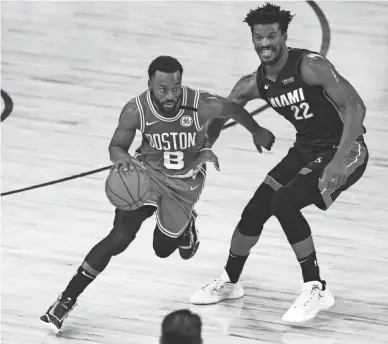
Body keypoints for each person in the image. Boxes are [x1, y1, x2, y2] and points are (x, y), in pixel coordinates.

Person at [40, 55, 275, 332]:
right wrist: (122, 158)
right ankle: (65, 300)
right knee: (120, 236)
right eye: (162, 89)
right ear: (150, 84)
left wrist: (257, 132)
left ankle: (187, 225)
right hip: (148, 175)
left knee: (163, 250)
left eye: (175, 88)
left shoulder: (201, 103)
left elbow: (235, 109)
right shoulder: (135, 110)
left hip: (185, 181)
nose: (170, 95)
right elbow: (116, 146)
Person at [190, 3, 368, 324]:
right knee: (255, 209)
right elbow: (225, 110)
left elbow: (355, 107)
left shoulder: (311, 66)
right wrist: (217, 144)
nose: (265, 44)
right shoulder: (255, 82)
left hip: (345, 149)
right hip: (306, 149)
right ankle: (230, 282)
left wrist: (341, 159)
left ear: (284, 35)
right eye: (259, 37)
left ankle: (316, 287)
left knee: (284, 202)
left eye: (272, 36)